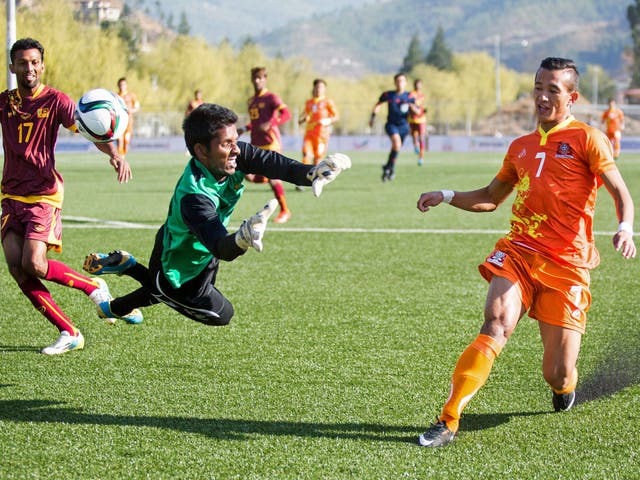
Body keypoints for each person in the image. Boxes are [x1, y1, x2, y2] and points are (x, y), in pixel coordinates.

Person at [415, 57, 636, 448]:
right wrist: (446, 195)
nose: (543, 96)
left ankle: (564, 387)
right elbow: (490, 197)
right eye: (538, 87)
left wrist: (624, 227)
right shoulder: (520, 147)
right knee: (496, 321)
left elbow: (619, 191)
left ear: (572, 97)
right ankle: (448, 419)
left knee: (557, 373)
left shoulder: (587, 138)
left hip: (568, 263)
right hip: (519, 251)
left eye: (553, 89)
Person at [82, 103, 350, 328]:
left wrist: (310, 173)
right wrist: (241, 240)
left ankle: (117, 297)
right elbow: (222, 247)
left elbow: (272, 163)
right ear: (201, 150)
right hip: (178, 263)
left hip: (203, 249)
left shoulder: (232, 155)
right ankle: (116, 294)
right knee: (220, 314)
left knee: (163, 291)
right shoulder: (194, 198)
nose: (236, 149)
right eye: (226, 144)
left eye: (235, 141)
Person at [0, 38, 142, 356]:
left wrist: (114, 155)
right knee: (16, 267)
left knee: (34, 263)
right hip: (10, 195)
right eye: (22, 62)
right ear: (12, 67)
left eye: (35, 61)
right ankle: (69, 331)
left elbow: (90, 128)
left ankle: (93, 287)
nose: (29, 67)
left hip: (43, 196)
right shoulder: (5, 102)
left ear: (42, 65)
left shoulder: (56, 101)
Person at [237, 67, 292, 223]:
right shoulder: (251, 101)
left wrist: (271, 123)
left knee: (274, 178)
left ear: (265, 79)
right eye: (255, 78)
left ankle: (285, 211)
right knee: (249, 176)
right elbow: (255, 123)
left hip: (271, 143)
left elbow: (287, 114)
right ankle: (272, 177)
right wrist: (244, 128)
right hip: (256, 143)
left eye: (260, 78)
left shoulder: (271, 98)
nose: (257, 80)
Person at [369, 72, 420, 182]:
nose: (399, 83)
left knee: (396, 148)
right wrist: (372, 117)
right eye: (397, 81)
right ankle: (390, 168)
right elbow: (377, 104)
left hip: (404, 126)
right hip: (391, 124)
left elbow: (418, 110)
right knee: (396, 144)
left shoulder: (409, 96)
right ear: (394, 82)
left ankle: (388, 167)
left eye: (402, 81)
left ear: (405, 82)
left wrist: (412, 107)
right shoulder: (388, 95)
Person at [298, 78, 339, 166]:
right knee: (306, 155)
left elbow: (336, 117)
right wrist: (302, 119)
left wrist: (327, 120)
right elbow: (302, 118)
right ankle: (304, 176)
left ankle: (315, 177)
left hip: (321, 135)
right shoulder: (309, 102)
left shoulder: (328, 101)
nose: (318, 89)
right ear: (314, 88)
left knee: (318, 159)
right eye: (317, 87)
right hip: (309, 133)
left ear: (324, 89)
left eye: (321, 87)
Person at [116, 77, 140, 158]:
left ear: (126, 85)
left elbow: (137, 107)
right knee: (120, 140)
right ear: (118, 85)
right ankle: (120, 158)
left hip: (128, 122)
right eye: (120, 85)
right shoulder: (116, 96)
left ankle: (123, 155)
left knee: (126, 141)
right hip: (119, 122)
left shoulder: (131, 95)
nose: (122, 86)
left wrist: (130, 110)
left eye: (123, 84)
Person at [408, 79, 428, 166]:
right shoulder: (411, 94)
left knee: (421, 137)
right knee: (414, 136)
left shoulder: (422, 95)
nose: (418, 86)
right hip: (412, 119)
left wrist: (424, 110)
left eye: (420, 84)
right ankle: (415, 145)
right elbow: (409, 104)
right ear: (414, 85)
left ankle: (421, 157)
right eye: (417, 84)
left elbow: (422, 106)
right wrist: (414, 109)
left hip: (421, 119)